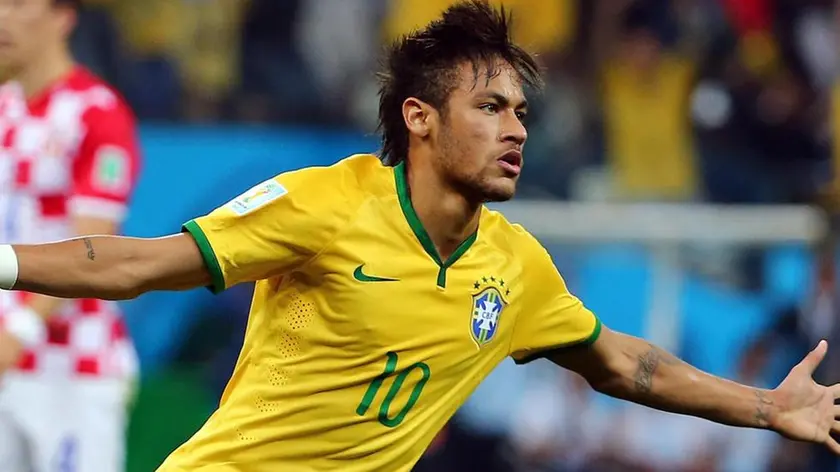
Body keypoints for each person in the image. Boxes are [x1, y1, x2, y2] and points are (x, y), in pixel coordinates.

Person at [0, 2, 837, 471]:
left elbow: (629, 364)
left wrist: (767, 408)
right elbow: (135, 262)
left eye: (519, 110)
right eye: (489, 107)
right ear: (420, 119)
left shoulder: (514, 266)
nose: (516, 129)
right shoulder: (324, 204)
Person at [0, 0, 141, 471]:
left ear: (63, 18)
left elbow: (92, 251)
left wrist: (17, 331)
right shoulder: (4, 109)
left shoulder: (97, 114)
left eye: (19, 4)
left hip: (73, 369)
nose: (2, 18)